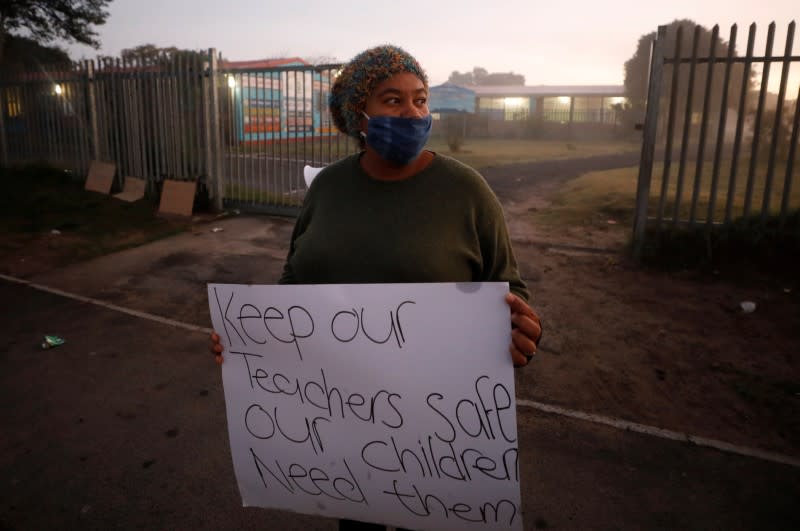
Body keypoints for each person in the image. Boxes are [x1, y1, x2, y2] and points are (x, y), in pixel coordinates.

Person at [210, 44, 542, 530]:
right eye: (392, 100)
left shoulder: (466, 190)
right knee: (358, 523)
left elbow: (510, 287)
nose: (412, 112)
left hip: (436, 432)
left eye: (421, 99)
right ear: (358, 115)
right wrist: (253, 342)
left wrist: (524, 331)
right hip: (345, 425)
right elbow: (294, 282)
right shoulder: (327, 188)